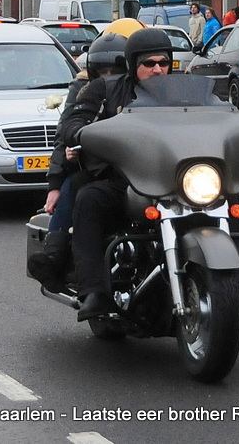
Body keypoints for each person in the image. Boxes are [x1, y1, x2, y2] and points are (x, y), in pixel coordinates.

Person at [58, 28, 177, 320]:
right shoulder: (106, 89)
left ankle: (232, 275)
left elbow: (222, 115)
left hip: (177, 181)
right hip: (125, 180)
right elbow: (72, 123)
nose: (158, 69)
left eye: (163, 62)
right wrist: (85, 134)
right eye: (149, 64)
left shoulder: (187, 93)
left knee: (225, 194)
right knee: (88, 199)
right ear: (133, 65)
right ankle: (95, 292)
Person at [27, 18, 145, 292]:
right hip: (91, 165)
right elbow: (64, 133)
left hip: (139, 167)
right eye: (101, 70)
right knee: (76, 187)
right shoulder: (83, 89)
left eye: (114, 69)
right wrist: (54, 182)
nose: (108, 76)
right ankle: (55, 256)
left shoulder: (147, 88)